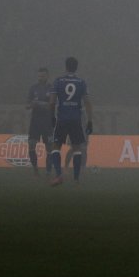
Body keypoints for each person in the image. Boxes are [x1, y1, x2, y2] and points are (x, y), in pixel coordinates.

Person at [48, 56, 93, 185]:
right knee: (77, 148)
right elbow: (88, 103)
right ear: (76, 67)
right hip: (76, 119)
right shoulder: (81, 82)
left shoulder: (58, 81)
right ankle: (76, 179)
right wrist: (90, 121)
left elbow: (51, 103)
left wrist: (52, 117)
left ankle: (58, 175)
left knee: (56, 146)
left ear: (66, 67)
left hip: (62, 118)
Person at [25, 67, 56, 178]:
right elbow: (27, 105)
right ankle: (35, 169)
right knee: (31, 144)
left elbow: (52, 105)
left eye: (42, 76)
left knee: (50, 147)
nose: (40, 78)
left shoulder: (52, 88)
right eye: (39, 76)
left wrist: (38, 103)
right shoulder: (33, 88)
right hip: (35, 121)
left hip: (47, 122)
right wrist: (30, 105)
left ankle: (48, 171)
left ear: (47, 76)